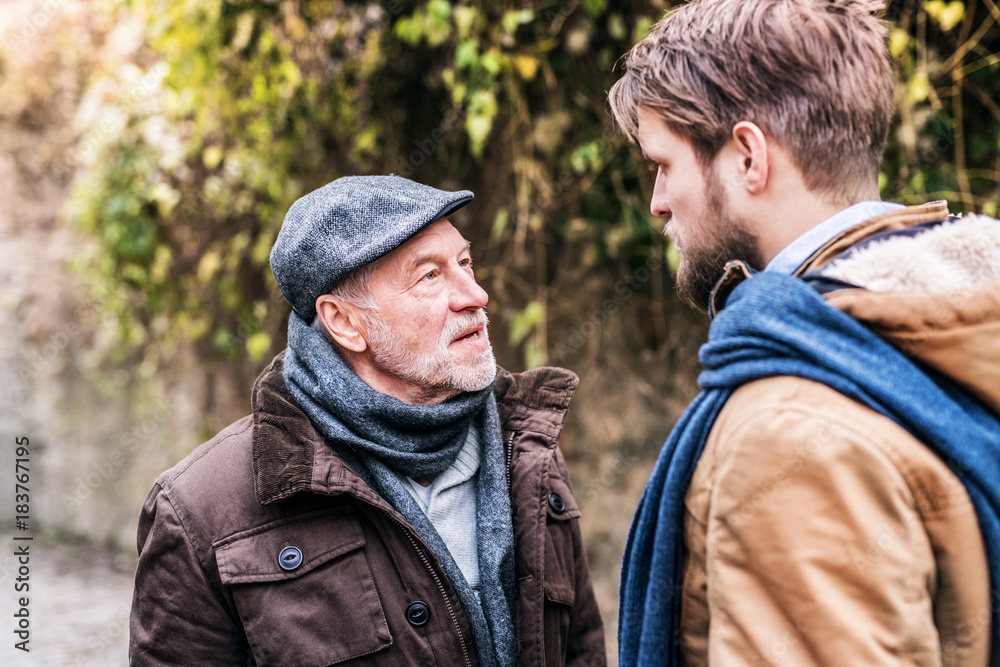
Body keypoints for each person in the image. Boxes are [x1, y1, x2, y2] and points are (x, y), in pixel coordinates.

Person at [608, 1, 1000, 665]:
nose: (657, 202)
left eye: (663, 164)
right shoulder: (964, 316)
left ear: (747, 158)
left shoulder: (790, 431)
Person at [129, 175, 606, 667]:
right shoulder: (199, 511)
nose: (476, 295)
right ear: (345, 323)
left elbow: (581, 650)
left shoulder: (527, 449)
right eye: (430, 276)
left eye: (464, 262)